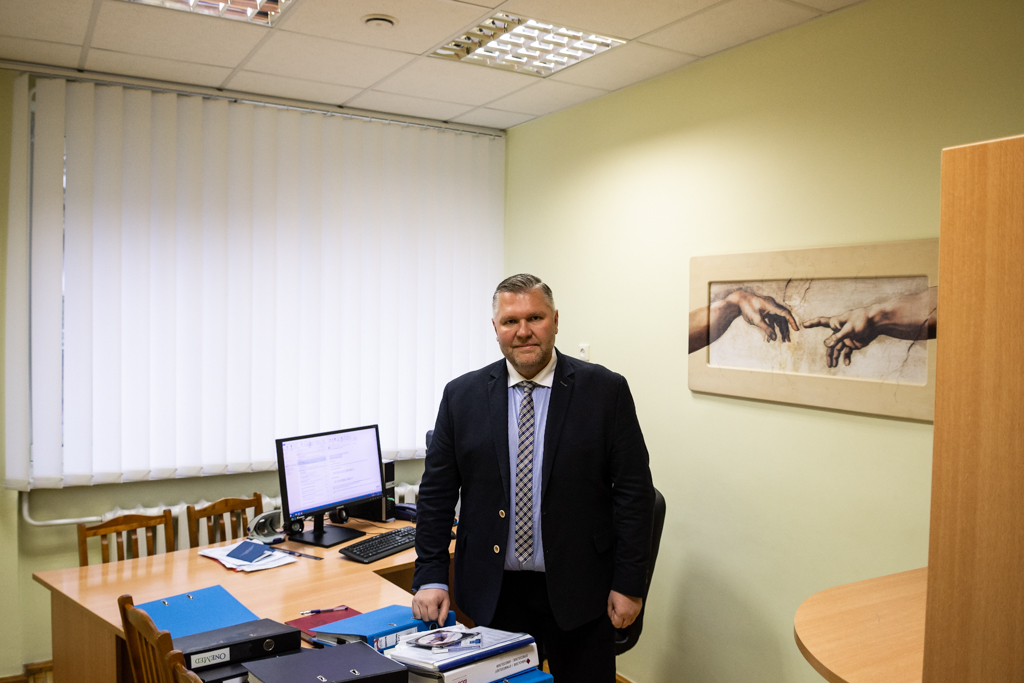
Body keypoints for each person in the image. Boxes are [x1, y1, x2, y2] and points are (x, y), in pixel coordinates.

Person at [411, 274, 655, 683]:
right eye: (510, 321)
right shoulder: (462, 396)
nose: (523, 331)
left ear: (555, 321)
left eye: (535, 318)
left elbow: (634, 495)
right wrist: (431, 575)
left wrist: (629, 584)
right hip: (493, 592)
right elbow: (436, 495)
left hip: (581, 589)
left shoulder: (605, 391)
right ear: (495, 328)